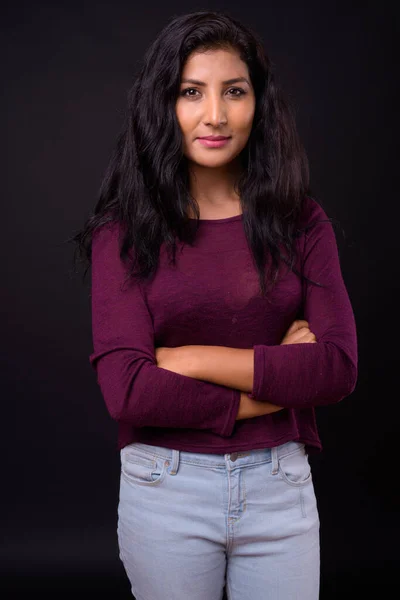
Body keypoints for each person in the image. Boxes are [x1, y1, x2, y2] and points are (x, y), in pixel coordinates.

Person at [72, 9, 358, 600]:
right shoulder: (123, 232)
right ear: (164, 105)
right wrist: (275, 380)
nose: (216, 116)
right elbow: (129, 391)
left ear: (260, 103)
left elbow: (336, 368)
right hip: (166, 488)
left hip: (280, 486)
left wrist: (191, 358)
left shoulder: (302, 222)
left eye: (234, 91)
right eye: (191, 93)